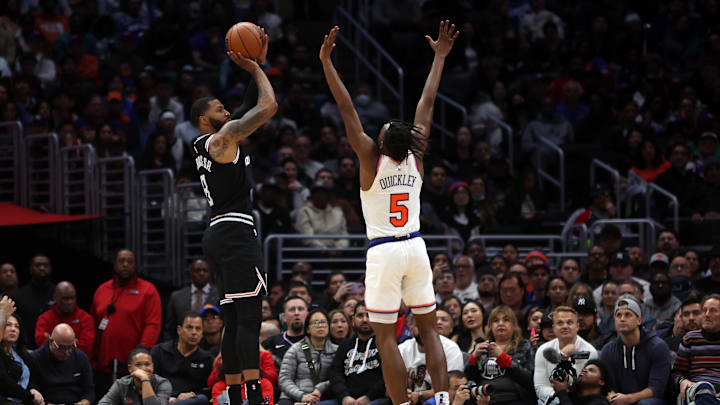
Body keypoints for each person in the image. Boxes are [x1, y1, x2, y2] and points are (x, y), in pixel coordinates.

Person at [320, 20, 459, 405]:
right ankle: (443, 401)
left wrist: (327, 63)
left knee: (385, 338)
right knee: (429, 332)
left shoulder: (369, 159)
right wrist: (440, 59)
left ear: (380, 142)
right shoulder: (416, 157)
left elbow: (346, 107)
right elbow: (426, 103)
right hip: (416, 247)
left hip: (383, 251)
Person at [190, 27, 277, 405]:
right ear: (205, 122)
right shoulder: (220, 141)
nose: (227, 112)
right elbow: (268, 106)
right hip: (235, 231)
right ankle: (252, 398)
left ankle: (237, 395)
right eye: (219, 111)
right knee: (249, 317)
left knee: (233, 319)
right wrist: (257, 70)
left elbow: (246, 104)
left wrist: (255, 61)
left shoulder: (216, 139)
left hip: (218, 232)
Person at [91, 249, 162, 397]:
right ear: (114, 264)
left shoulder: (147, 290)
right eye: (121, 261)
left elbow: (153, 324)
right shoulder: (102, 290)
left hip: (133, 367)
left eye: (129, 261)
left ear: (135, 265)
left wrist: (141, 353)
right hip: (103, 365)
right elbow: (94, 323)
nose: (125, 265)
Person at [599, 295, 671, 405]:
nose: (622, 319)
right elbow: (608, 386)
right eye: (618, 315)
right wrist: (612, 396)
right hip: (620, 400)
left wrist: (628, 399)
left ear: (639, 320)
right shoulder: (608, 350)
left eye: (628, 314)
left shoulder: (657, 347)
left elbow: (656, 389)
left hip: (653, 401)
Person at [465, 305, 536, 405]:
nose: (500, 324)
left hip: (515, 400)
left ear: (514, 326)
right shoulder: (482, 347)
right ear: (490, 327)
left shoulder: (524, 346)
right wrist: (474, 358)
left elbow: (530, 380)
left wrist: (503, 358)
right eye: (496, 321)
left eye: (506, 320)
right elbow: (470, 378)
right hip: (485, 400)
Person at [534, 306, 598, 403]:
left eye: (569, 322)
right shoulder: (543, 350)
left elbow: (588, 388)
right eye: (560, 323)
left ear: (577, 326)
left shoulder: (590, 351)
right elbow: (541, 387)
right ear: (554, 328)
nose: (565, 326)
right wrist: (563, 354)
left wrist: (566, 398)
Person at [328, 302, 387, 405]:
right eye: (360, 315)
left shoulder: (386, 344)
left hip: (376, 399)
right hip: (346, 400)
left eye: (369, 316)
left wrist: (369, 397)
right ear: (353, 320)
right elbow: (335, 374)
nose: (364, 319)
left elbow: (387, 377)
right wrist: (344, 396)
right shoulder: (345, 345)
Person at [151, 312, 213, 405]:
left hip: (191, 402)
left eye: (198, 329)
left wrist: (192, 395)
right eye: (189, 327)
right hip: (163, 400)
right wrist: (166, 397)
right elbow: (150, 382)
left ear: (202, 334)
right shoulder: (160, 352)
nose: (194, 332)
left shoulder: (207, 359)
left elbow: (208, 391)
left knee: (202, 399)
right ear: (179, 330)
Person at [399, 313, 463, 403]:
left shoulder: (450, 348)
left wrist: (419, 395)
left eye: (428, 326)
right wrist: (404, 393)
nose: (424, 331)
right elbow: (389, 388)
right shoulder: (403, 349)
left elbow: (453, 389)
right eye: (419, 326)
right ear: (411, 327)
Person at [278, 309, 338, 405]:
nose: (320, 325)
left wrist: (320, 388)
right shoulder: (295, 349)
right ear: (308, 329)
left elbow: (339, 378)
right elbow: (284, 379)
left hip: (322, 397)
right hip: (294, 397)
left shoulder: (337, 351)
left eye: (323, 322)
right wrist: (301, 396)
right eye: (315, 322)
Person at [671, 294, 720, 404]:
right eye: (704, 310)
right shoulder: (690, 339)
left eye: (713, 311)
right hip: (693, 392)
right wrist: (682, 381)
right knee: (704, 387)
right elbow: (676, 373)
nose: (707, 315)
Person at [31, 323, 94, 405]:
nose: (66, 352)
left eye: (70, 347)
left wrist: (83, 403)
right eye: (61, 348)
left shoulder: (81, 357)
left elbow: (89, 390)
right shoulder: (35, 359)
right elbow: (32, 389)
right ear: (51, 341)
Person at [0, 296, 44, 405]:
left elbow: (34, 378)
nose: (13, 329)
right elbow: (4, 383)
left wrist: (33, 389)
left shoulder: (23, 354)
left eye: (17, 326)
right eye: (8, 325)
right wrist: (29, 396)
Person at [164, 259, 219, 341]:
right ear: (190, 274)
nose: (201, 273)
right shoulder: (176, 297)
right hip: (183, 348)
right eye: (197, 270)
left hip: (213, 348)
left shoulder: (220, 295)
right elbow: (170, 329)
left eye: (205, 270)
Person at [34, 281, 94, 355]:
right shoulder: (45, 318)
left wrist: (56, 344)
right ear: (55, 298)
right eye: (65, 299)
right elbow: (41, 342)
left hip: (77, 363)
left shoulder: (85, 318)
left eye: (72, 298)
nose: (70, 302)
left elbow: (86, 346)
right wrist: (73, 343)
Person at [98, 346, 171, 405]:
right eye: (138, 365)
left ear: (153, 366)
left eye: (147, 364)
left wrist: (145, 379)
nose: (143, 368)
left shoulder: (162, 383)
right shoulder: (121, 384)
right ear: (130, 368)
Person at [15, 253, 55, 349]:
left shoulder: (59, 294)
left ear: (50, 268)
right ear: (30, 269)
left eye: (45, 265)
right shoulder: (19, 295)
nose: (42, 268)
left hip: (55, 348)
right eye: (37, 265)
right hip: (26, 349)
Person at [261, 296, 309, 369]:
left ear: (308, 315)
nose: (296, 313)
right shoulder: (270, 343)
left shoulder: (315, 341)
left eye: (300, 309)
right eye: (292, 309)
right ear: (283, 317)